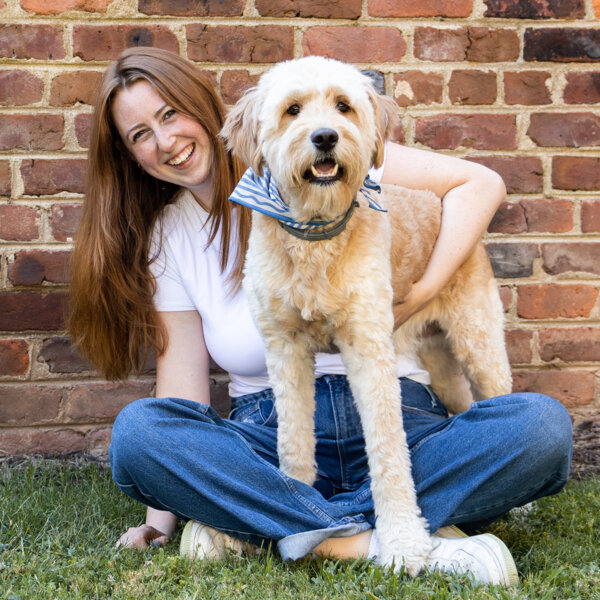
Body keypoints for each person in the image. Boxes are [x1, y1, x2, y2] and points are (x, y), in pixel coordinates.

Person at [69, 46, 572, 585]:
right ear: (129, 155)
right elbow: (182, 386)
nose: (165, 141)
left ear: (200, 106)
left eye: (170, 115)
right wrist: (160, 515)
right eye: (140, 134)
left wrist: (421, 292)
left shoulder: (342, 154)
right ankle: (377, 540)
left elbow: (481, 184)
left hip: (404, 420)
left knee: (541, 426)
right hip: (270, 436)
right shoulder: (170, 236)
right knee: (140, 434)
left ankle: (268, 526)